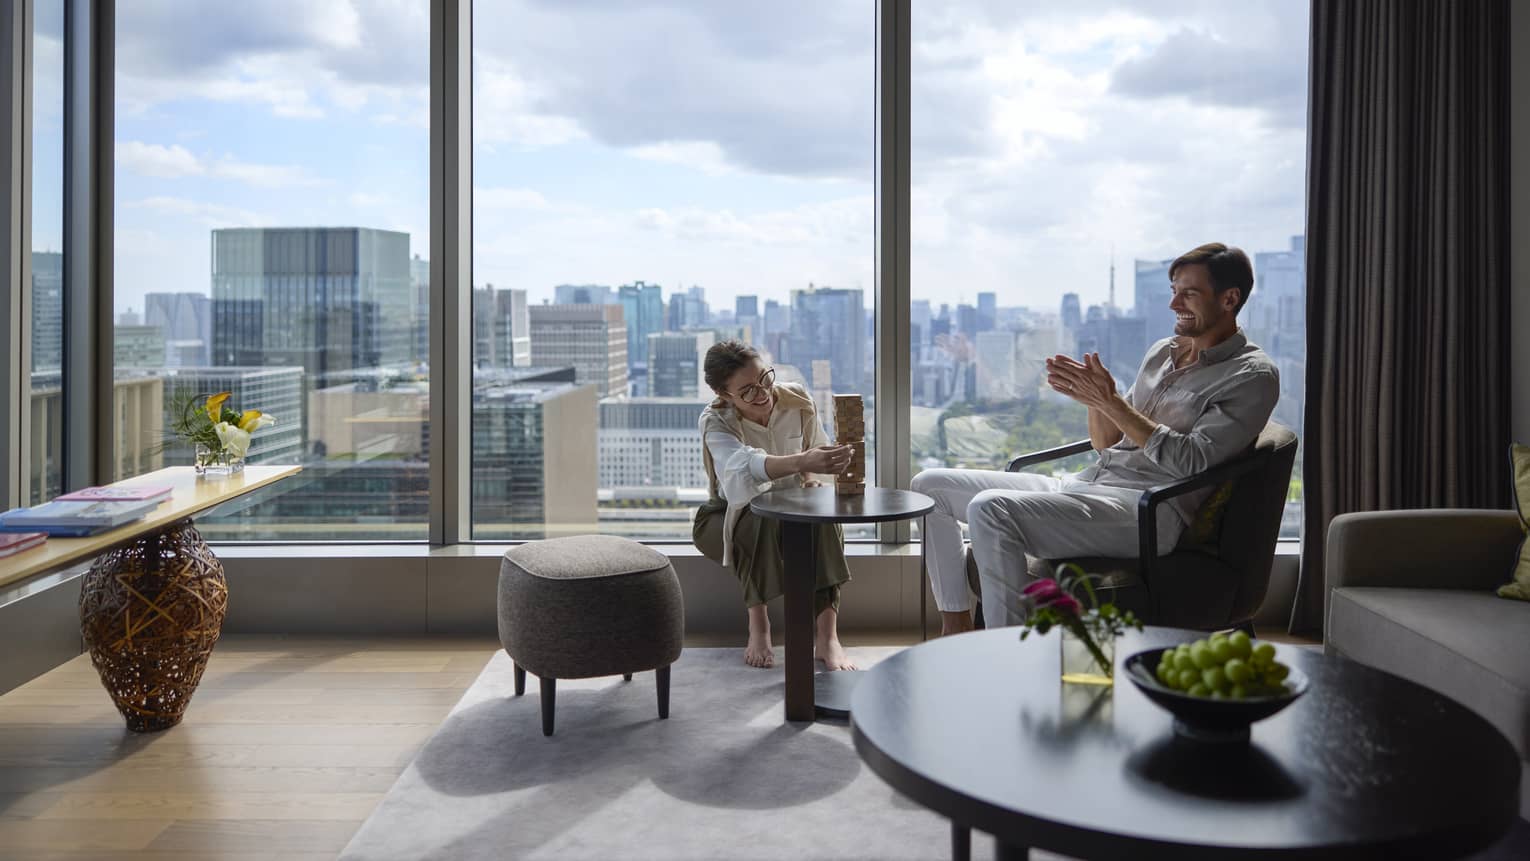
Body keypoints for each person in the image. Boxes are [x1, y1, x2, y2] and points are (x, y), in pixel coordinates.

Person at [911, 243, 1281, 633]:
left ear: (1230, 299)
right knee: (929, 487)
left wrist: (1113, 402)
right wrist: (1095, 401)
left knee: (990, 508)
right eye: (1173, 290)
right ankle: (956, 627)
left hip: (1147, 511)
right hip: (1091, 484)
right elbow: (1109, 444)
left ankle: (1004, 656)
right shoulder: (1162, 353)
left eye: (1189, 292)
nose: (1175, 304)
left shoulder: (1251, 376)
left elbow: (1191, 461)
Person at [693, 340, 860, 670]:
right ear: (725, 394)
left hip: (794, 505)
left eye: (765, 378)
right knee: (762, 517)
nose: (763, 393)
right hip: (730, 513)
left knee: (822, 519)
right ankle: (759, 624)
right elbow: (741, 471)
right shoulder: (717, 421)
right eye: (748, 390)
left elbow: (817, 448)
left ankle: (828, 637)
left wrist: (813, 474)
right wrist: (801, 462)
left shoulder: (796, 399)